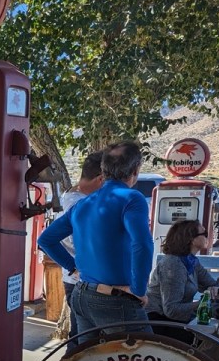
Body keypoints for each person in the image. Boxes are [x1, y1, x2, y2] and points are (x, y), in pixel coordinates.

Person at [38, 141, 154, 337]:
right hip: (115, 300)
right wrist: (138, 288)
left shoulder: (83, 204)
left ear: (104, 169)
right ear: (135, 170)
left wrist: (73, 267)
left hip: (83, 293)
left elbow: (46, 239)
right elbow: (142, 244)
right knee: (147, 360)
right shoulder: (131, 198)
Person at [145, 219, 219, 343]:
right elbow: (171, 310)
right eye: (205, 234)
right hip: (160, 323)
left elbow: (214, 284)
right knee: (214, 341)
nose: (208, 236)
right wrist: (201, 304)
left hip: (177, 321)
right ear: (191, 239)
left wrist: (215, 289)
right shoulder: (173, 264)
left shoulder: (191, 261)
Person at [57, 151, 104, 349]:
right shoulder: (79, 203)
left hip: (79, 279)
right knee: (83, 339)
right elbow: (73, 241)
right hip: (82, 281)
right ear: (102, 178)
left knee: (82, 337)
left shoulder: (72, 197)